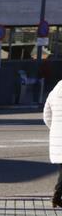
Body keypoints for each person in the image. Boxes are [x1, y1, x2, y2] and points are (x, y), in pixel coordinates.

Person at [43, 79, 62, 208]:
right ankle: (57, 195)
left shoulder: (55, 90)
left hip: (57, 138)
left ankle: (58, 196)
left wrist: (55, 130)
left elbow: (46, 115)